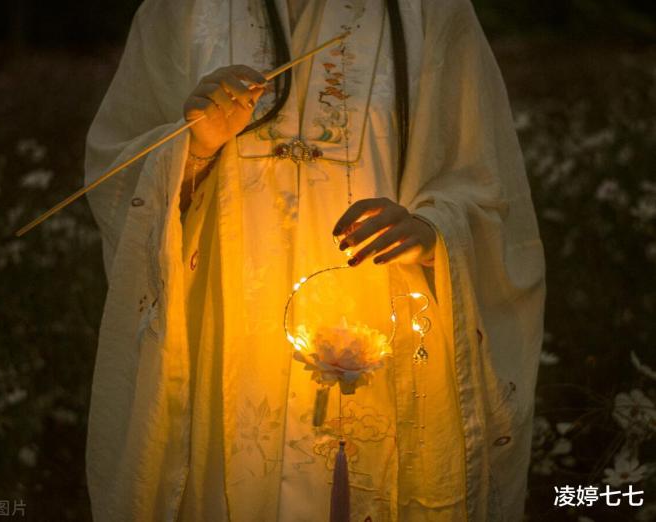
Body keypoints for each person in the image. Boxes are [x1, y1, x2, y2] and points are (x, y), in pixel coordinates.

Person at [83, 0, 546, 520]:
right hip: (226, 339)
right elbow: (113, 171)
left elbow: (485, 185)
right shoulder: (182, 10)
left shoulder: (430, 13)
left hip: (379, 324)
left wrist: (432, 233)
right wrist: (192, 148)